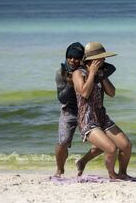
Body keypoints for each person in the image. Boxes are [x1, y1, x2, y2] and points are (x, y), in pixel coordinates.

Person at [72, 42, 132, 179]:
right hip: (87, 119)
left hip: (101, 117)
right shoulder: (78, 73)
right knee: (111, 148)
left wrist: (102, 76)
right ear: (92, 60)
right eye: (101, 58)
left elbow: (112, 93)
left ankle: (122, 173)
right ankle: (112, 175)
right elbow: (84, 93)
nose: (104, 60)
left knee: (126, 145)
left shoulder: (101, 73)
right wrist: (92, 73)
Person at [54, 42, 103, 177]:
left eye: (76, 57)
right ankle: (59, 169)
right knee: (62, 142)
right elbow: (61, 98)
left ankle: (82, 162)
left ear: (82, 58)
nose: (72, 60)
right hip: (69, 111)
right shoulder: (61, 73)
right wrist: (70, 84)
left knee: (104, 144)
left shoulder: (86, 71)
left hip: (88, 111)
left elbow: (100, 90)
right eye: (69, 57)